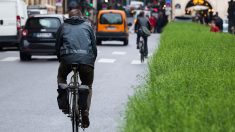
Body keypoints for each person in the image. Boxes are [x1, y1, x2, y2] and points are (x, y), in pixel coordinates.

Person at [55, 8, 97, 128]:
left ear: (69, 16)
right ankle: (85, 112)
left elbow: (57, 45)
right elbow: (94, 47)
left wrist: (60, 58)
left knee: (61, 76)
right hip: (86, 60)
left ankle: (64, 97)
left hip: (67, 59)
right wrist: (91, 61)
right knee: (88, 85)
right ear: (81, 16)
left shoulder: (63, 26)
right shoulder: (88, 26)